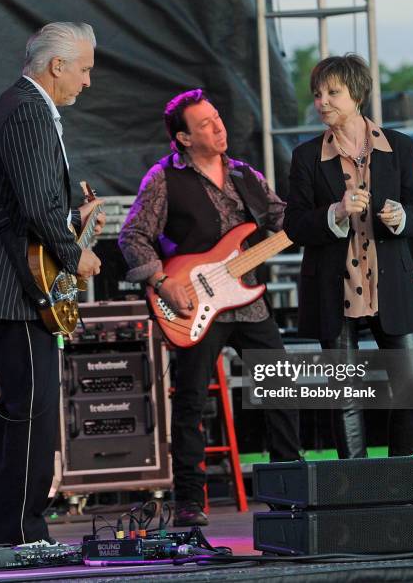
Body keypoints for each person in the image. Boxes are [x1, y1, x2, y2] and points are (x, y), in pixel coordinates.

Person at [0, 22, 104, 547]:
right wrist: (76, 253)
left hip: (7, 287)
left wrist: (72, 220)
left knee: (19, 409)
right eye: (84, 70)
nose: (87, 82)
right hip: (7, 291)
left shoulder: (18, 108)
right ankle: (20, 534)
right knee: (32, 412)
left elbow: (28, 204)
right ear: (57, 66)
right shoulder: (29, 111)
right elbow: (35, 208)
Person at [118, 89, 301, 526]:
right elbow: (131, 237)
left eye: (217, 118)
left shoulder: (246, 176)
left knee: (281, 390)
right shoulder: (163, 178)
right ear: (183, 137)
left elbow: (286, 223)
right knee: (191, 401)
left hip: (248, 299)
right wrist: (162, 283)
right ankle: (189, 501)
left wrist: (327, 216)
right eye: (205, 124)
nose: (218, 127)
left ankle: (288, 492)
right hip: (193, 301)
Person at [283, 54, 413, 459]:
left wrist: (401, 216)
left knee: (411, 386)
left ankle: (399, 480)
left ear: (357, 94)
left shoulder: (399, 146)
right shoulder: (306, 156)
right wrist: (335, 212)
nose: (322, 101)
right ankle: (358, 489)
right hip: (336, 287)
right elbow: (294, 225)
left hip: (391, 286)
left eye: (333, 92)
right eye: (317, 94)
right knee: (345, 396)